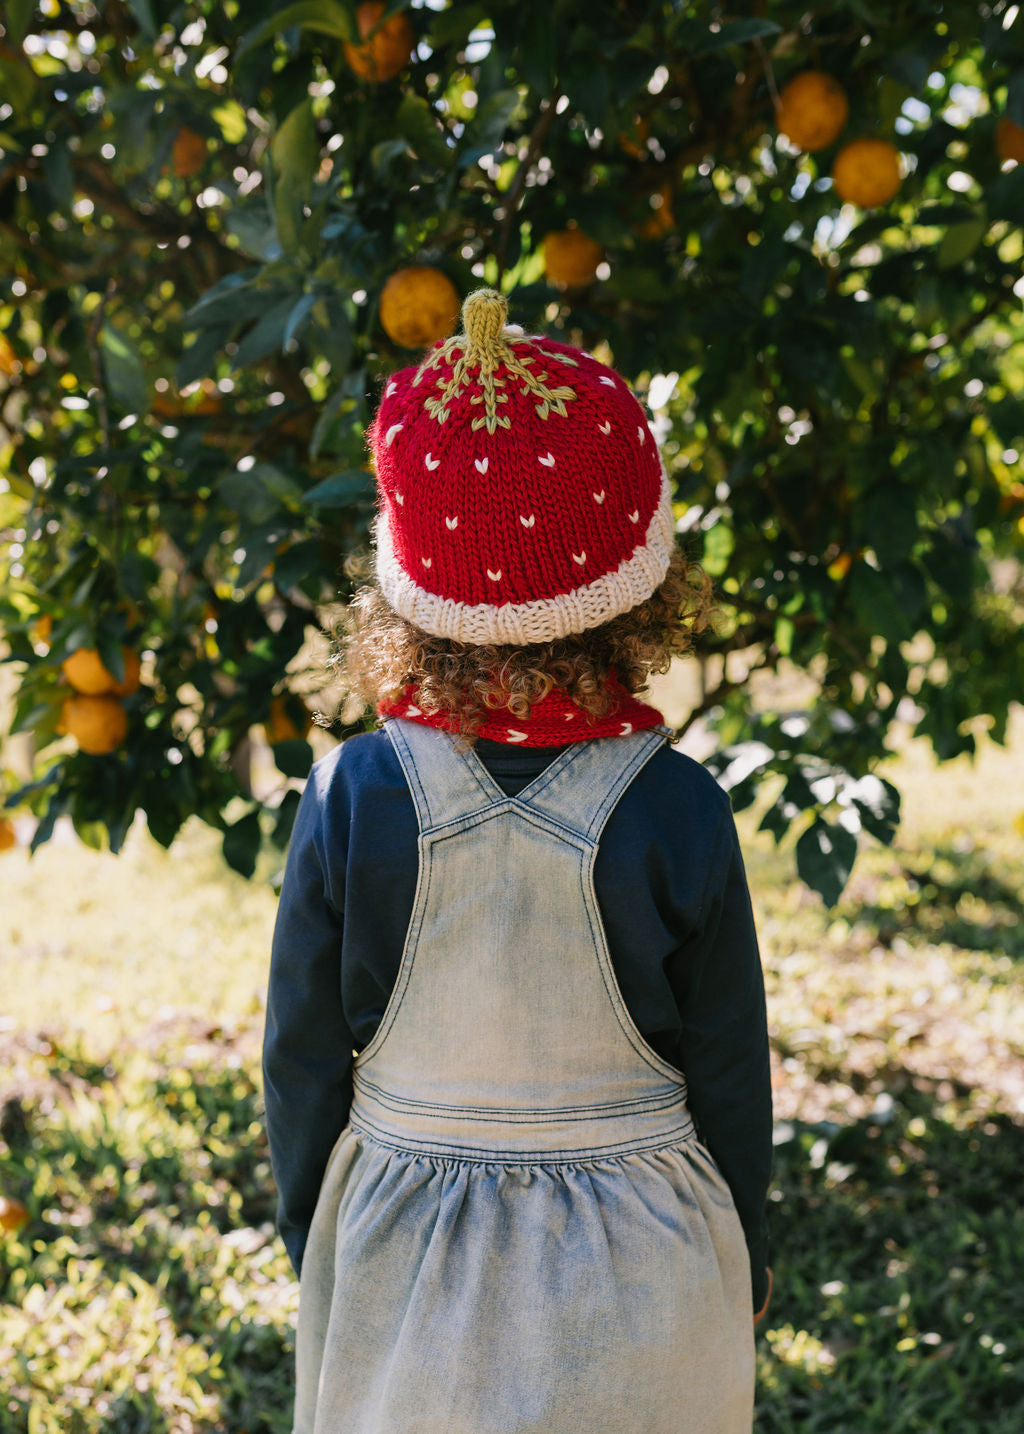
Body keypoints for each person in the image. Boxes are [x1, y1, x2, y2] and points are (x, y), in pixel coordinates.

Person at [262, 288, 773, 1434]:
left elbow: (300, 1056)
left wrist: (317, 1230)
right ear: (636, 580)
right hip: (641, 1265)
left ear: (412, 585)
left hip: (403, 1248)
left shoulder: (353, 795)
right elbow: (729, 1069)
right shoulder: (679, 810)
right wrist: (747, 1248)